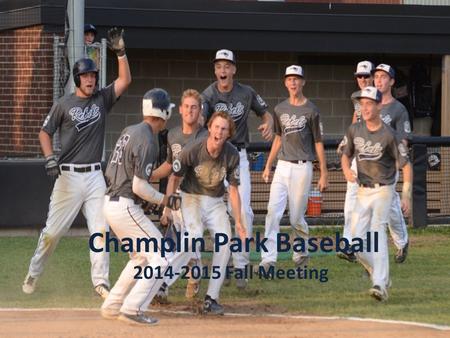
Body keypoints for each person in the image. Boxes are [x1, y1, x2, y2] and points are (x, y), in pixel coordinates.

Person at [22, 28, 131, 297]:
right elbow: (44, 132)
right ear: (77, 78)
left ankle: (100, 282)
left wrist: (121, 53)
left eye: (93, 75)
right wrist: (49, 158)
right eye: (86, 75)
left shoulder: (102, 99)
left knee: (100, 230)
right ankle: (33, 274)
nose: (91, 79)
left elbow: (125, 80)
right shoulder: (63, 104)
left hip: (95, 175)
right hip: (68, 177)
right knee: (53, 232)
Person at [100, 88, 179, 325]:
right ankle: (132, 309)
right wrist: (165, 200)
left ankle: (112, 305)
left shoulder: (129, 130)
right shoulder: (148, 139)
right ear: (162, 112)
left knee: (140, 258)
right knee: (162, 257)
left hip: (112, 203)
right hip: (124, 205)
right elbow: (139, 187)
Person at [201, 49, 273, 288]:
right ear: (215, 70)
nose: (223, 70)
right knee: (212, 211)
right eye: (219, 66)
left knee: (242, 212)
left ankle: (241, 265)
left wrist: (267, 124)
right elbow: (200, 125)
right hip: (215, 157)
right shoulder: (208, 95)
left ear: (234, 69)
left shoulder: (246, 92)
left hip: (239, 156)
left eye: (227, 66)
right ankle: (222, 265)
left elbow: (266, 114)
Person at [165, 111, 246, 315]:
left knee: (225, 241)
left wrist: (239, 222)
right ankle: (162, 282)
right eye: (216, 127)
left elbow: (234, 191)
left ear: (229, 133)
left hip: (215, 201)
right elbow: (174, 177)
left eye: (224, 129)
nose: (219, 131)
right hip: (190, 196)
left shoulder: (232, 154)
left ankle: (212, 298)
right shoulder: (193, 149)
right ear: (209, 128)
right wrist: (167, 206)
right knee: (193, 238)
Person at [341, 86, 412, 302]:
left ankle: (380, 284)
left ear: (379, 106)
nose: (365, 107)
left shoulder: (390, 135)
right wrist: (346, 170)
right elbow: (345, 154)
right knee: (355, 243)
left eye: (370, 103)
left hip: (383, 189)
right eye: (362, 104)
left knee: (376, 232)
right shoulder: (355, 129)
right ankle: (381, 274)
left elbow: (406, 166)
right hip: (362, 190)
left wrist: (406, 195)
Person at [257, 65, 328, 270]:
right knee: (273, 212)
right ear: (285, 82)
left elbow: (318, 142)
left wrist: (323, 172)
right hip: (282, 165)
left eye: (297, 78)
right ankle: (268, 259)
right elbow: (278, 138)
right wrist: (268, 165)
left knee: (296, 217)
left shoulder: (312, 110)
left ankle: (301, 252)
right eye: (290, 79)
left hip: (302, 167)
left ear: (303, 82)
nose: (293, 82)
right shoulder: (280, 109)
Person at [150, 89, 207, 302]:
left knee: (186, 243)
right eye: (187, 107)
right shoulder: (173, 135)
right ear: (180, 110)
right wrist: (150, 176)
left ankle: (163, 285)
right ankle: (194, 276)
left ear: (200, 110)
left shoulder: (205, 136)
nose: (190, 111)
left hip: (197, 195)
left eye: (195, 107)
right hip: (178, 195)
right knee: (178, 243)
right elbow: (170, 168)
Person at [373, 63, 411, 263]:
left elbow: (403, 140)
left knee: (388, 208)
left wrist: (398, 163)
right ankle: (399, 243)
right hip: (369, 164)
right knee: (385, 207)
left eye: (383, 76)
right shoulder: (368, 104)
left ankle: (400, 242)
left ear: (392, 81)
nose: (379, 80)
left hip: (390, 163)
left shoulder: (398, 108)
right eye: (376, 76)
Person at [337, 61, 374, 262]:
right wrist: (347, 141)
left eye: (366, 76)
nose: (363, 79)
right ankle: (348, 245)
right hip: (358, 157)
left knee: (379, 206)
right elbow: (356, 118)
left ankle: (397, 242)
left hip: (376, 159)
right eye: (359, 76)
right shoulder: (356, 97)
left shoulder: (379, 99)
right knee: (350, 201)